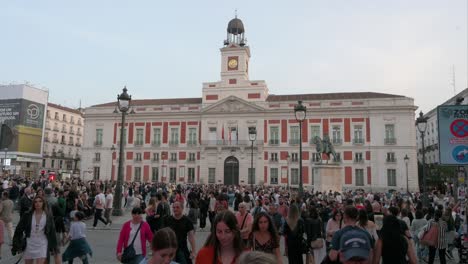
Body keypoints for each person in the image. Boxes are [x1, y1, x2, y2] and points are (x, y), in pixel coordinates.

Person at [12, 195, 59, 264]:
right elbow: (18, 229)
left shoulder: (48, 216)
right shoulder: (27, 215)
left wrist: (54, 247)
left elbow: (52, 231)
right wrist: (16, 244)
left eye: (40, 201)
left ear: (43, 203)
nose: (38, 203)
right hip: (30, 243)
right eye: (35, 202)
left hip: (42, 243)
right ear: (33, 203)